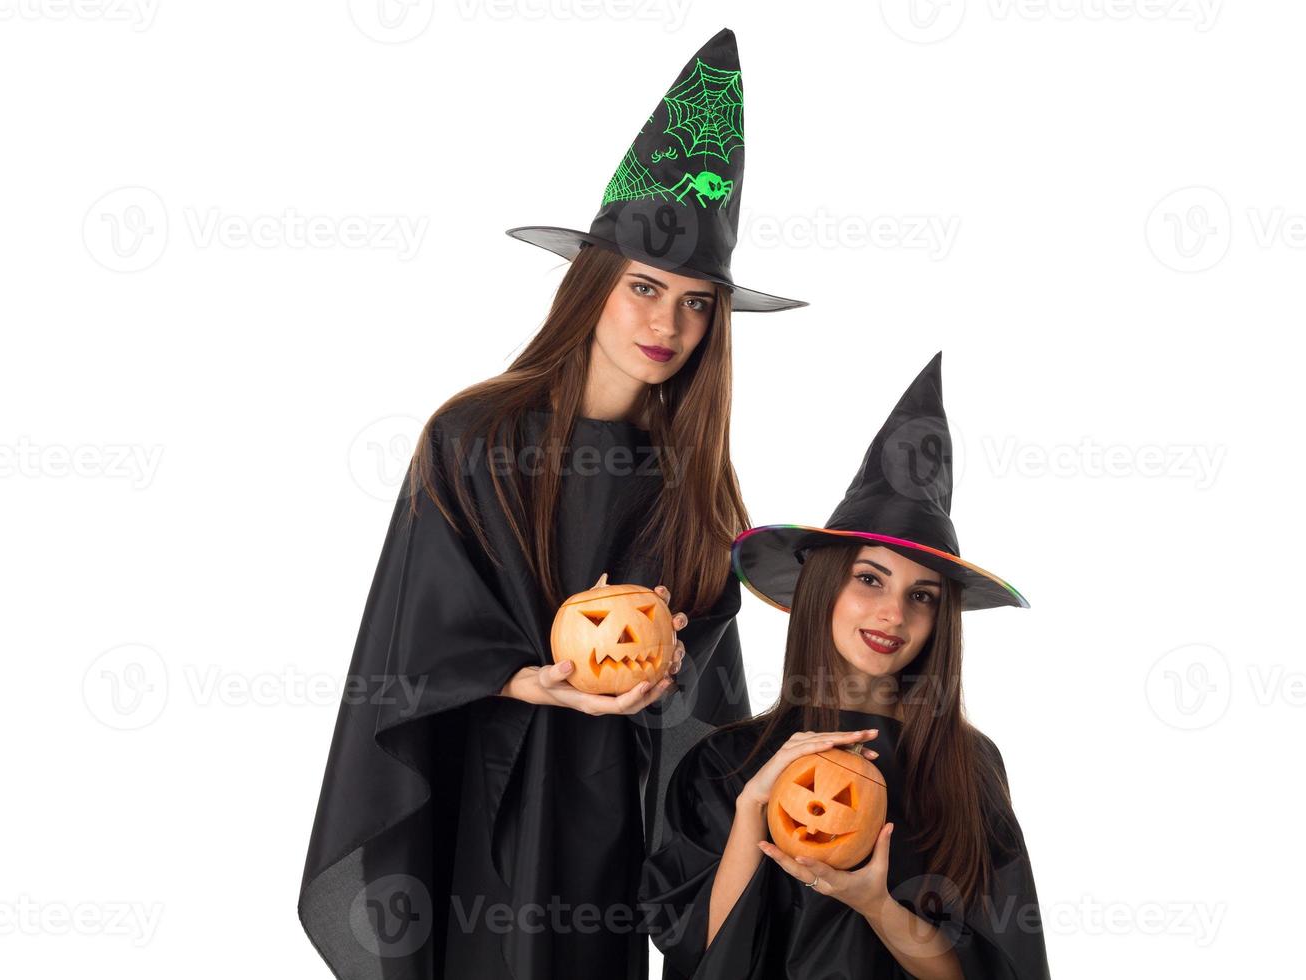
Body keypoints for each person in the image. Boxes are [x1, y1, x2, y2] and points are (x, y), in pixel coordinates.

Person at [298, 28, 807, 980]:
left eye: (698, 303)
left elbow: (709, 703)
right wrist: (522, 678)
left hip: (609, 816)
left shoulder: (692, 484)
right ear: (593, 286)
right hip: (487, 798)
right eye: (645, 288)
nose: (667, 324)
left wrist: (686, 675)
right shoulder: (476, 437)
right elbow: (410, 639)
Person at [640, 353, 1052, 979]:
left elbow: (991, 971)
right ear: (824, 587)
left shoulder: (968, 769)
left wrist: (877, 906)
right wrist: (753, 806)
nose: (893, 615)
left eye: (922, 596)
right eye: (870, 579)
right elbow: (698, 952)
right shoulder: (725, 766)